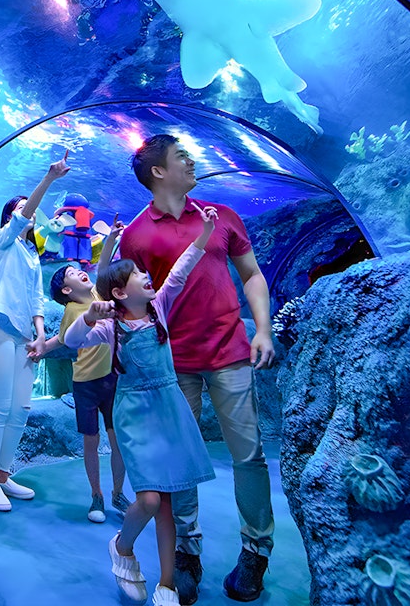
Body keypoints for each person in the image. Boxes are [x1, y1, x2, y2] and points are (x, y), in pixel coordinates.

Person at [118, 134, 276, 604]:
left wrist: (262, 330)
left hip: (230, 351)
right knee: (180, 465)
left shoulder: (221, 217)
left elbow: (251, 274)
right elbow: (128, 303)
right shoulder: (136, 236)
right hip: (172, 364)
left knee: (248, 454)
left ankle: (256, 550)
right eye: (181, 156)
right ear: (158, 173)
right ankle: (187, 552)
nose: (192, 160)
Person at [64, 204, 219, 606]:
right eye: (138, 276)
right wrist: (88, 318)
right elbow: (71, 343)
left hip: (169, 409)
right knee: (149, 499)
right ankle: (123, 544)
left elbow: (183, 267)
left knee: (166, 499)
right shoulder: (110, 327)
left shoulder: (160, 308)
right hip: (135, 415)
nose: (148, 278)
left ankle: (166, 583)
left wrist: (203, 233)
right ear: (119, 292)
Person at [0, 150, 71, 512]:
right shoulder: (2, 241)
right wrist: (48, 179)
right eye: (23, 210)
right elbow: (21, 219)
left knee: (21, 409)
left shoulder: (32, 256)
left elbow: (35, 298)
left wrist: (41, 336)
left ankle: (2, 474)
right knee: (0, 408)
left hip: (23, 337)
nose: (30, 215)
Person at [32, 218, 132, 523]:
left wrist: (112, 237)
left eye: (80, 270)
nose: (80, 272)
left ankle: (118, 493)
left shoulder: (102, 296)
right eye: (73, 274)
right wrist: (43, 348)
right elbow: (64, 339)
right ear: (66, 289)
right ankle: (96, 495)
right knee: (92, 441)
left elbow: (102, 267)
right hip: (85, 383)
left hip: (112, 379)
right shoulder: (72, 310)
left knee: (118, 440)